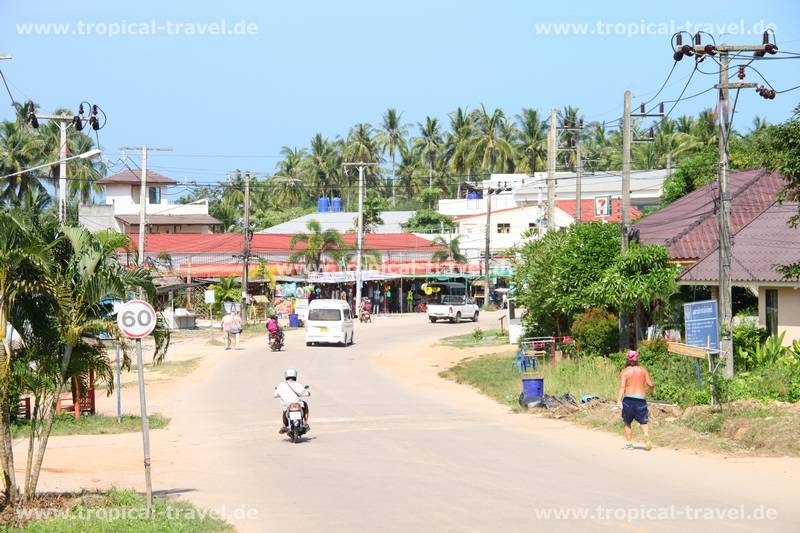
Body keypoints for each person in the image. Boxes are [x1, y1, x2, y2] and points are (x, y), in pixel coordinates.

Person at [616, 350, 655, 450]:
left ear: (627, 359)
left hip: (628, 400)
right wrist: (651, 392)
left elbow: (622, 387)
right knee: (643, 422)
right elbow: (651, 384)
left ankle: (629, 444)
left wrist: (618, 400)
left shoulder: (624, 371)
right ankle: (646, 435)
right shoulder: (643, 370)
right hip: (641, 399)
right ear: (637, 359)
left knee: (627, 422)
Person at [274, 368, 311, 433]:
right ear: (295, 376)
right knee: (305, 404)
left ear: (286, 376)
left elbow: (275, 395)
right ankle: (305, 423)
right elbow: (306, 393)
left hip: (286, 405)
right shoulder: (298, 385)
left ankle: (284, 425)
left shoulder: (281, 385)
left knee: (284, 411)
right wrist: (308, 393)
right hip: (298, 404)